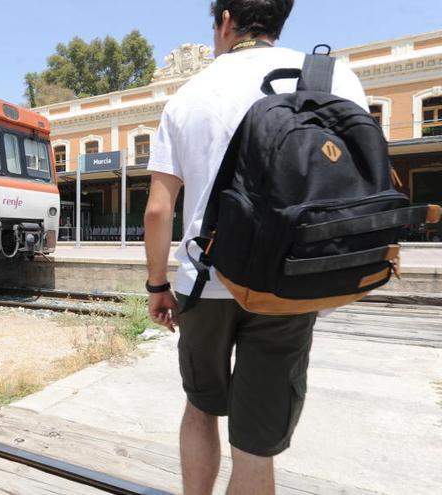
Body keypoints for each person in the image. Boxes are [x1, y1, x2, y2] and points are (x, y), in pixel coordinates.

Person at [142, 1, 368, 494]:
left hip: (205, 282)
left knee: (202, 405)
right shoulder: (334, 78)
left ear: (225, 21)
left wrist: (158, 283)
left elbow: (159, 210)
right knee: (256, 442)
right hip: (290, 279)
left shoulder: (188, 95)